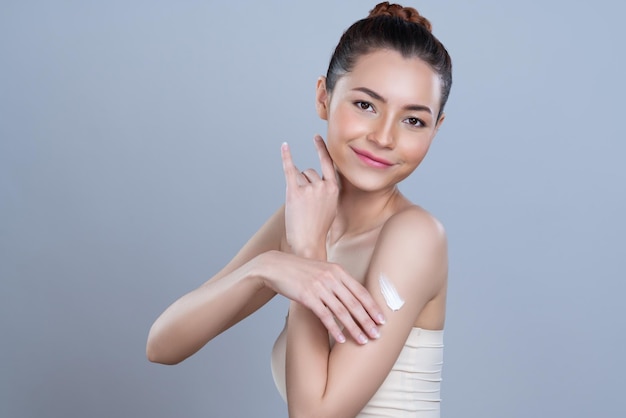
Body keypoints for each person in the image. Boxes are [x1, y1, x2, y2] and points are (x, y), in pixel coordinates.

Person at [147, 2, 452, 416]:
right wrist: (264, 268)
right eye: (366, 105)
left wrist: (308, 254)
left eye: (414, 120)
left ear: (436, 128)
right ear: (324, 97)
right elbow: (163, 345)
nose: (384, 137)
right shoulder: (306, 218)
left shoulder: (415, 235)